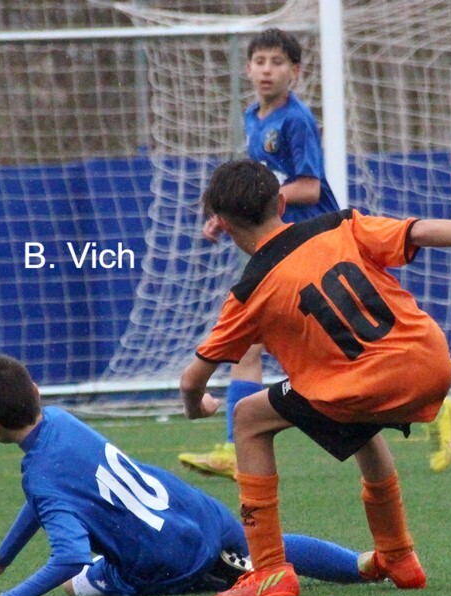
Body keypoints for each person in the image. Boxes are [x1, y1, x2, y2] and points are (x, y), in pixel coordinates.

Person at [179, 159, 451, 596]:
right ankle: (398, 556)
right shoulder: (341, 225)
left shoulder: (248, 293)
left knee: (249, 416)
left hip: (364, 384)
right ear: (281, 203)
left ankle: (268, 571)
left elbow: (192, 381)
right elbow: (421, 230)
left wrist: (198, 407)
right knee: (345, 406)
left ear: (225, 226)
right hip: (430, 361)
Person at [0, 354, 377, 596]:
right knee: (257, 547)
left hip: (166, 559)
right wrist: (1, 559)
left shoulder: (42, 476)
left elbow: (69, 556)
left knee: (74, 584)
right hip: (193, 508)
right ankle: (365, 562)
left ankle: (223, 570)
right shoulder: (59, 419)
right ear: (35, 390)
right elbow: (45, 497)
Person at [178, 28, 342, 480]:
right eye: (260, 61)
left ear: (296, 71)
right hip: (279, 245)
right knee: (252, 340)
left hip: (313, 241)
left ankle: (437, 402)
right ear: (247, 68)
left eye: (277, 62)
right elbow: (262, 187)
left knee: (338, 350)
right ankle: (235, 447)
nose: (267, 70)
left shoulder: (296, 121)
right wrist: (229, 214)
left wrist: (260, 199)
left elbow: (309, 188)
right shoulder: (253, 116)